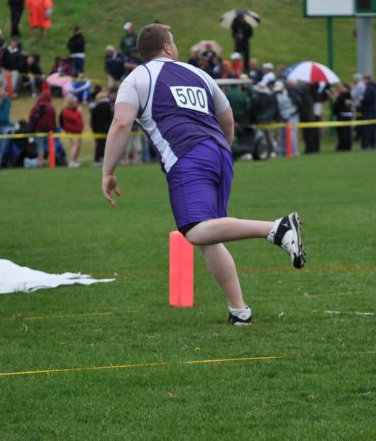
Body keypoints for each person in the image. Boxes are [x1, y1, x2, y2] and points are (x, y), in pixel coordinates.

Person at [101, 23, 306, 325]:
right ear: (168, 48)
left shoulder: (137, 78)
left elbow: (121, 124)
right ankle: (239, 311)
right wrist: (220, 150)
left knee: (195, 230)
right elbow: (228, 120)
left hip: (187, 155)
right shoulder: (199, 74)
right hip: (220, 152)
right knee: (210, 235)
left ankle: (277, 228)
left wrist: (108, 171)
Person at [28, 91, 57, 167]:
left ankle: (40, 162)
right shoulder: (51, 107)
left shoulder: (37, 105)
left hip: (39, 129)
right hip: (50, 130)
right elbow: (54, 119)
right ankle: (52, 162)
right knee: (51, 146)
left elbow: (31, 116)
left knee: (39, 146)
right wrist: (54, 129)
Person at [90, 87, 116, 165]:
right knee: (108, 144)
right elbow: (112, 118)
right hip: (108, 129)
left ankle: (98, 159)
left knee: (99, 145)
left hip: (98, 130)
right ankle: (108, 159)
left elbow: (93, 120)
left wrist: (94, 129)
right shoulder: (109, 106)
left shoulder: (95, 107)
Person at [60, 96, 84, 168]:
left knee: (78, 146)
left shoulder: (74, 110)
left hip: (78, 131)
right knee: (75, 146)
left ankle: (75, 161)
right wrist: (79, 112)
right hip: (72, 132)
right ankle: (71, 161)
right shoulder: (66, 111)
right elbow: (74, 118)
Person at [332, 83, 354, 151]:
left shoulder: (345, 94)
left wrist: (337, 97)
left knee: (344, 132)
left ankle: (344, 146)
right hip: (342, 115)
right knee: (342, 132)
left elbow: (346, 103)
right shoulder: (343, 95)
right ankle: (343, 146)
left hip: (344, 115)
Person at [359, 76, 376, 149]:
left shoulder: (368, 88)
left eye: (364, 80)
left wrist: (361, 101)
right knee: (373, 128)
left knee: (366, 129)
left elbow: (366, 100)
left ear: (367, 80)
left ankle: (365, 145)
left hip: (367, 111)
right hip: (374, 111)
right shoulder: (375, 88)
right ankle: (373, 144)